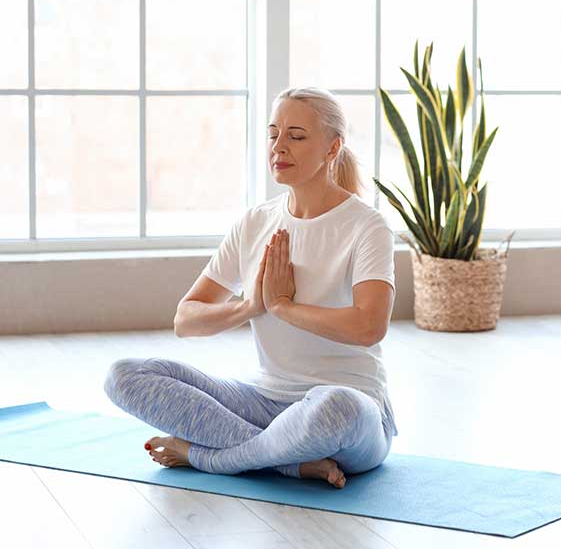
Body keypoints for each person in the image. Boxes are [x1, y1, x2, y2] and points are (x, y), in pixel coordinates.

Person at [103, 87, 398, 489]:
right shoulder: (255, 222)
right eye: (273, 133)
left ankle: (206, 456)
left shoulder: (367, 226)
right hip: (264, 404)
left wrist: (283, 307)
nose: (279, 147)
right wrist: (249, 307)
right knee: (124, 375)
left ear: (333, 149)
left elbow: (369, 327)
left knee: (335, 406)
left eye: (296, 136)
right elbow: (186, 319)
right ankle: (288, 462)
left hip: (351, 412)